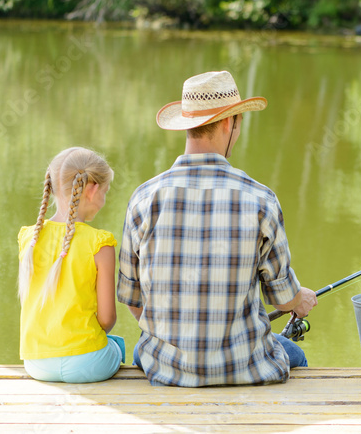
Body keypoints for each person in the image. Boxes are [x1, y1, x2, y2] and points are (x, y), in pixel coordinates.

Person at [117, 70, 318, 387]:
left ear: (187, 125)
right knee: (296, 357)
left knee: (144, 351)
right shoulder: (260, 199)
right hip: (243, 367)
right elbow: (282, 298)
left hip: (165, 367)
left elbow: (131, 298)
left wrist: (174, 338)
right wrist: (300, 298)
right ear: (230, 123)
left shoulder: (143, 199)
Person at [18, 147, 124, 383]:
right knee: (117, 345)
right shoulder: (100, 243)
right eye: (105, 191)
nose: (104, 199)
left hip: (36, 364)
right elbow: (107, 320)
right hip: (88, 363)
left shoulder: (29, 238)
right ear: (92, 189)